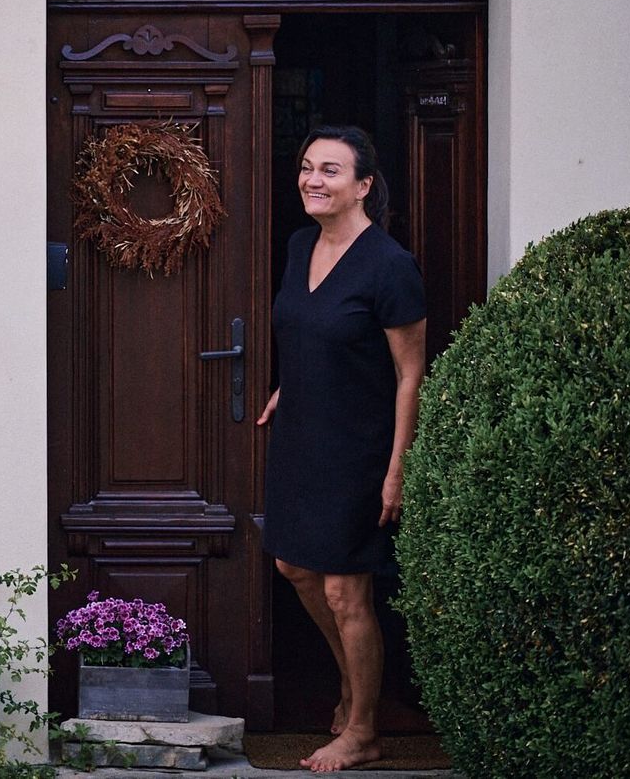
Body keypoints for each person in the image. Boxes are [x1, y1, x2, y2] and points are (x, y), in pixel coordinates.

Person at [256, 124, 427, 773]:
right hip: (302, 435)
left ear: (363, 186)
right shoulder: (301, 245)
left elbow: (411, 373)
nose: (312, 179)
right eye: (307, 167)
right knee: (293, 568)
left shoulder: (390, 266)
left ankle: (362, 730)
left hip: (358, 447)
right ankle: (356, 688)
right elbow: (309, 329)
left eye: (330, 170)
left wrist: (398, 467)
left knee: (344, 592)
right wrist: (289, 385)